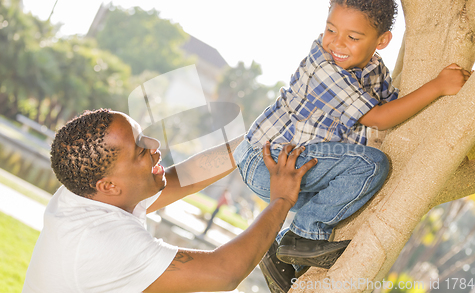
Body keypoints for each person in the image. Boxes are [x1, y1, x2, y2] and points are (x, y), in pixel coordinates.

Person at [233, 0, 471, 291]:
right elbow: (380, 118)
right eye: (331, 29)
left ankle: (280, 255)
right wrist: (438, 86)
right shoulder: (324, 67)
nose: (337, 43)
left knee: (347, 195)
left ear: (381, 40)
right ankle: (302, 237)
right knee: (370, 165)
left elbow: (397, 107)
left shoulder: (374, 69)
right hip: (270, 161)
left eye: (353, 37)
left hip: (303, 167)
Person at [22, 109, 317, 293]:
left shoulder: (87, 189)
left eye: (143, 136)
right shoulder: (101, 242)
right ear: (109, 185)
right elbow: (224, 273)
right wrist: (281, 199)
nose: (154, 146)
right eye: (140, 150)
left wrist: (258, 138)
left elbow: (187, 175)